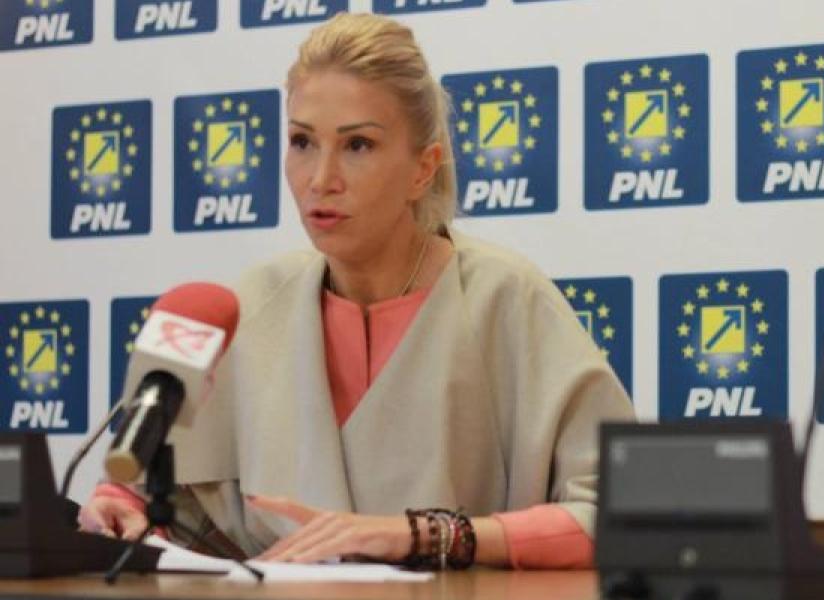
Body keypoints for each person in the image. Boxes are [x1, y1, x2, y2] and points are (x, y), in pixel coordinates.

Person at [79, 12, 634, 570]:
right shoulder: (248, 305)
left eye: (358, 145)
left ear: (423, 169)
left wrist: (426, 535)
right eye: (301, 141)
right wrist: (119, 506)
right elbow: (161, 499)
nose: (321, 179)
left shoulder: (506, 298)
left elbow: (622, 516)